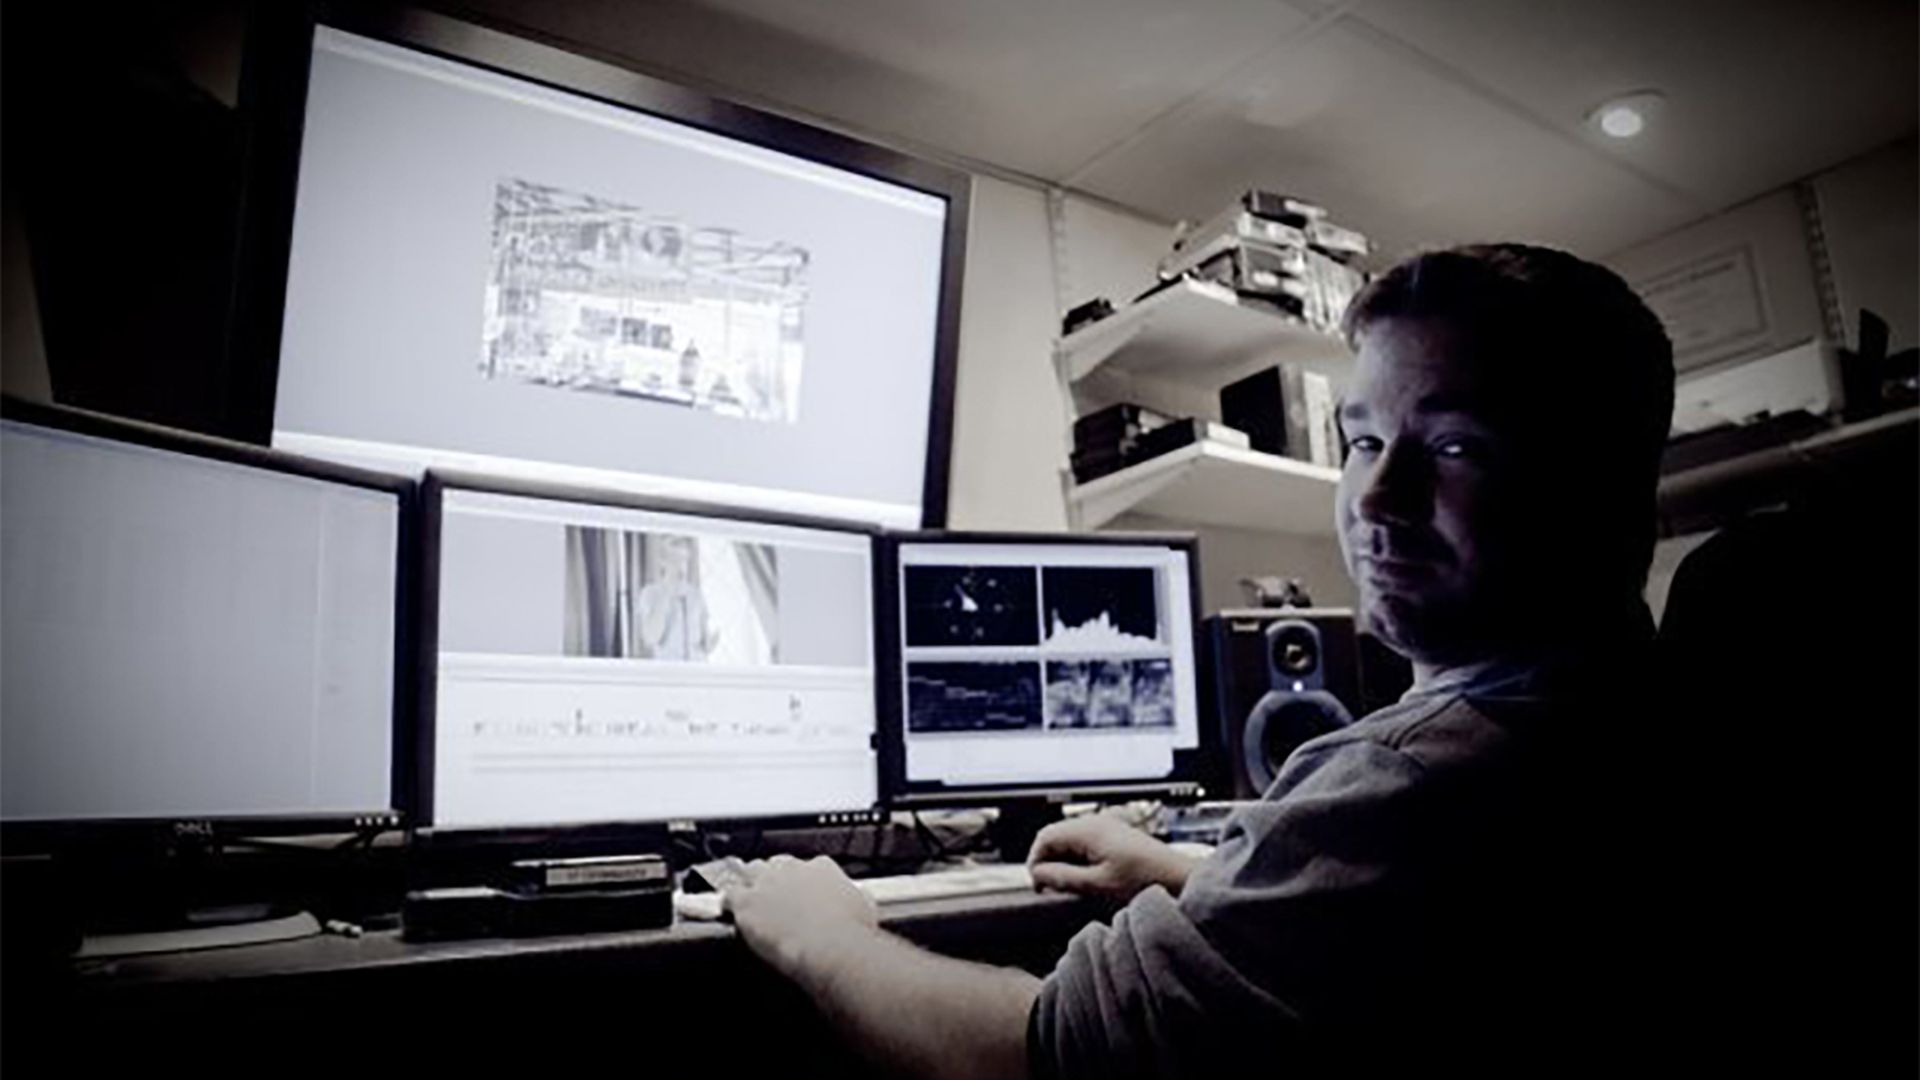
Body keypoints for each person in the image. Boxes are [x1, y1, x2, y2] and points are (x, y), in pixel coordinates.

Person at [722, 243, 1679, 1078]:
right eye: (1365, 441)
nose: (1377, 497)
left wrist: (821, 934)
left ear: (1600, 489)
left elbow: (1040, 1051)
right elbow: (1411, 948)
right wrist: (1198, 878)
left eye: (1456, 444)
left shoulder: (1424, 772)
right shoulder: (1629, 710)